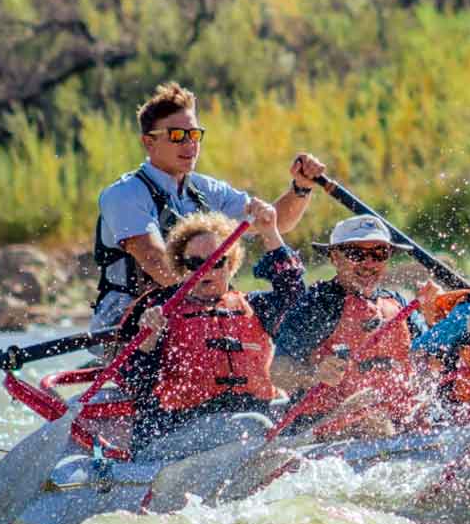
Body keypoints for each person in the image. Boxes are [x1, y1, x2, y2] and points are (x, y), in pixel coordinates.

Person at [90, 81, 326, 334]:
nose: (189, 145)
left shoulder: (208, 190)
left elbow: (276, 223)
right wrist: (225, 303)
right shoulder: (124, 194)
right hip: (130, 324)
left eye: (193, 135)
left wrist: (301, 188)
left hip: (198, 315)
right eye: (177, 136)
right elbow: (159, 265)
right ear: (149, 143)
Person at [117, 204, 304, 450]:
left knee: (300, 412)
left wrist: (270, 232)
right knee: (252, 425)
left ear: (231, 264)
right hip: (181, 428)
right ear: (182, 267)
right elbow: (135, 385)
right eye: (196, 262)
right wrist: (146, 345)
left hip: (252, 422)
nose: (207, 270)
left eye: (217, 261)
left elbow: (296, 299)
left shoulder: (254, 306)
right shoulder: (157, 311)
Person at [268, 216, 439, 435]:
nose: (368, 264)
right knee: (374, 421)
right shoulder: (318, 306)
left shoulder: (399, 303)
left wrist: (434, 316)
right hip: (326, 428)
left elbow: (429, 358)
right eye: (356, 254)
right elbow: (277, 371)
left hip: (396, 423)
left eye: (379, 254)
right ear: (335, 257)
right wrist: (313, 374)